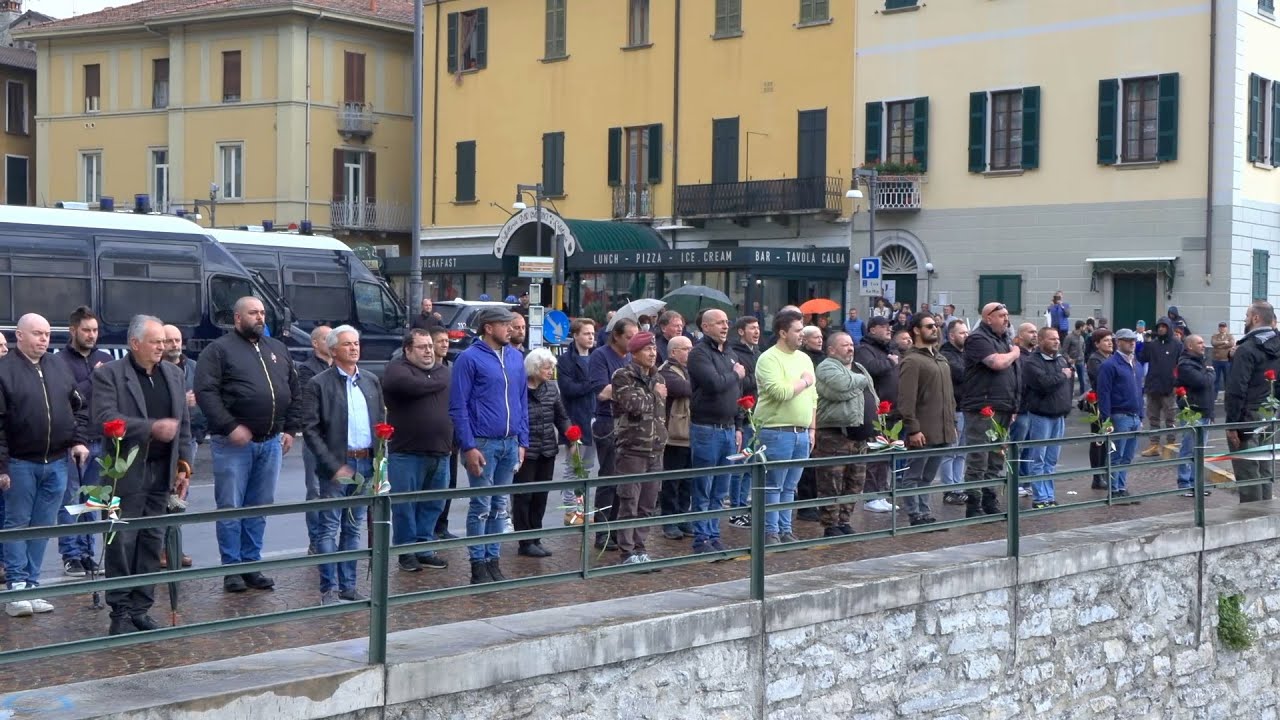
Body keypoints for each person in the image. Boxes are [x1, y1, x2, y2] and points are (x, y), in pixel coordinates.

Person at [91, 315, 192, 634]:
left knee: (152, 542)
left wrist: (184, 465)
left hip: (163, 473)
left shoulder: (174, 374)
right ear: (135, 344)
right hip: (124, 474)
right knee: (121, 541)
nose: (162, 346)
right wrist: (150, 428)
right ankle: (119, 612)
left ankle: (141, 608)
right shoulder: (110, 375)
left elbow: (184, 426)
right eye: (155, 341)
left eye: (163, 341)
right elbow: (105, 421)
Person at [195, 296, 302, 593]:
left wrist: (291, 428)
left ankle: (251, 564)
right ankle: (232, 569)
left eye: (263, 312)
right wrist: (230, 426)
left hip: (270, 443)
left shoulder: (277, 349)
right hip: (233, 445)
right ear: (237, 317)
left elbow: (294, 390)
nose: (260, 317)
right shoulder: (218, 351)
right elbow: (206, 392)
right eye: (253, 312)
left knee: (259, 507)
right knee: (231, 507)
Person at [0, 313, 89, 618]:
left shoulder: (57, 366)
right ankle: (17, 587)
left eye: (47, 334)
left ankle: (34, 585)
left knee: (43, 525)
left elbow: (77, 407)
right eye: (37, 333)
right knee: (16, 524)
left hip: (56, 461)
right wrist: (2, 467)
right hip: (20, 462)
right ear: (19, 336)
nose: (43, 339)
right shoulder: (4, 370)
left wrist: (78, 440)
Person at [301, 325, 383, 604]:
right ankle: (330, 589)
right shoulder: (319, 384)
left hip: (365, 465)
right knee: (329, 527)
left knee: (353, 527)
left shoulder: (370, 381)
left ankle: (348, 585)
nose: (354, 348)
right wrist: (333, 465)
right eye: (347, 344)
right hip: (338, 466)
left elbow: (381, 424)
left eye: (356, 343)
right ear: (333, 350)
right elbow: (310, 430)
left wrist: (381, 463)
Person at [449, 306, 528, 584]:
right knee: (481, 504)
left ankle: (494, 559)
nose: (511, 329)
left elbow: (521, 401)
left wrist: (522, 439)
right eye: (505, 324)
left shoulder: (517, 358)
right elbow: (458, 406)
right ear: (488, 328)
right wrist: (468, 446)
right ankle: (477, 563)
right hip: (482, 443)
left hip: (509, 441)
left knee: (500, 505)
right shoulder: (468, 359)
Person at [383, 328, 451, 572]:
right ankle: (405, 551)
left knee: (433, 504)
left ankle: (424, 547)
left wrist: (430, 380)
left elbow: (442, 378)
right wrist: (431, 381)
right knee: (405, 506)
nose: (428, 352)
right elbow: (409, 385)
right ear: (407, 350)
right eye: (422, 347)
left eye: (430, 347)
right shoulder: (397, 370)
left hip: (440, 451)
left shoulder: (442, 371)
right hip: (407, 452)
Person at [55, 306, 111, 578]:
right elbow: (71, 397)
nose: (92, 335)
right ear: (73, 330)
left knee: (92, 500)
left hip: (101, 437)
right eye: (86, 330)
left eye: (95, 330)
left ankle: (89, 553)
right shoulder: (60, 361)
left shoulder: (105, 357)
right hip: (74, 440)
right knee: (71, 499)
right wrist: (94, 377)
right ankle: (71, 555)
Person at [755, 310, 817, 544]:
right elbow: (779, 392)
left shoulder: (804, 358)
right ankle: (770, 532)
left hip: (801, 432)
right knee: (773, 485)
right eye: (798, 331)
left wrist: (812, 429)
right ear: (783, 333)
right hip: (776, 430)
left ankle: (785, 529)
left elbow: (813, 397)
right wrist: (804, 381)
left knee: (790, 486)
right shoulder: (768, 358)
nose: (802, 335)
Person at [687, 309, 746, 555]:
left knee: (721, 488)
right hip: (706, 429)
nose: (725, 326)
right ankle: (701, 538)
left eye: (726, 322)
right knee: (704, 485)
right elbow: (714, 384)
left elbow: (738, 392)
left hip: (729, 428)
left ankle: (714, 534)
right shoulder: (699, 353)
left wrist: (739, 424)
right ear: (706, 326)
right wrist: (735, 373)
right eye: (719, 323)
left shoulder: (729, 352)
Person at [610, 332, 668, 565]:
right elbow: (633, 405)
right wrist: (654, 394)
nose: (652, 353)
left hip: (656, 449)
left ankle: (640, 547)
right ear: (634, 353)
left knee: (648, 503)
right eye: (647, 349)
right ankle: (626, 551)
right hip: (632, 449)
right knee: (629, 502)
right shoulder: (623, 376)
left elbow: (660, 412)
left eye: (654, 349)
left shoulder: (659, 378)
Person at [959, 303, 1021, 517]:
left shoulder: (1003, 340)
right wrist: (1014, 352)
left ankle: (989, 499)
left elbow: (1014, 376)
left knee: (996, 458)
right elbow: (996, 363)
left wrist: (1014, 406)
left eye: (1007, 315)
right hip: (982, 407)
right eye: (1002, 315)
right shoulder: (978, 339)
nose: (1006, 319)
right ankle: (974, 504)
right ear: (988, 318)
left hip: (1003, 406)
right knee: (979, 457)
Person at [813, 332, 876, 536]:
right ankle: (830, 524)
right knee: (831, 481)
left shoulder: (860, 368)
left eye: (851, 344)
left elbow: (871, 393)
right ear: (832, 350)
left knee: (855, 482)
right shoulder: (827, 366)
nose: (850, 348)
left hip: (860, 436)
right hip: (834, 436)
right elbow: (840, 387)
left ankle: (844, 520)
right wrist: (859, 382)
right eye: (845, 345)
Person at [896, 314, 955, 527]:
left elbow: (949, 397)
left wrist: (951, 425)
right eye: (929, 326)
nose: (935, 329)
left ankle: (925, 511)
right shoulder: (912, 360)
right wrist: (913, 429)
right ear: (916, 330)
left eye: (936, 326)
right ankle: (915, 514)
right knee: (914, 475)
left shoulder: (940, 358)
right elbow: (906, 400)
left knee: (928, 476)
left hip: (942, 429)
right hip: (922, 430)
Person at [588, 318, 638, 550]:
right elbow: (602, 391)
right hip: (607, 421)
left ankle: (618, 528)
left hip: (628, 422)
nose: (632, 341)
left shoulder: (630, 357)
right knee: (608, 476)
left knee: (624, 478)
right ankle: (602, 530)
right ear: (616, 335)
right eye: (629, 337)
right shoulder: (601, 356)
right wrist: (630, 392)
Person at [513, 348, 568, 558]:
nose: (551, 371)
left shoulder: (551, 388)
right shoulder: (519, 389)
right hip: (527, 452)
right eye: (547, 367)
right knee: (523, 496)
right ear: (535, 368)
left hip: (547, 450)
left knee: (540, 496)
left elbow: (561, 416)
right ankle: (524, 541)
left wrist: (570, 433)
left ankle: (536, 537)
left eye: (552, 367)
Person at [1224, 301, 1280, 503]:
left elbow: (1237, 389)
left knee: (1247, 471)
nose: (1245, 320)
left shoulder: (1247, 349)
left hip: (1248, 415)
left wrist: (1232, 424)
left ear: (1256, 318)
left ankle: (1250, 517)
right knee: (1264, 469)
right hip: (1270, 412)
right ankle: (1266, 516)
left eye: (1247, 316)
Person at [160, 324, 199, 569]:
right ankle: (160, 548)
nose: (175, 345)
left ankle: (174, 547)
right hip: (163, 440)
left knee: (180, 496)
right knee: (162, 496)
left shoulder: (193, 368)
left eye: (178, 340)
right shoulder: (156, 369)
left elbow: (205, 398)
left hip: (188, 439)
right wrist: (179, 402)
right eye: (169, 340)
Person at [1022, 327, 1074, 508]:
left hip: (1058, 415)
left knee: (1051, 460)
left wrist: (1067, 406)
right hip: (1041, 415)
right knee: (1039, 459)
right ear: (1041, 341)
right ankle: (1040, 498)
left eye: (1058, 339)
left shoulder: (1060, 359)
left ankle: (1049, 495)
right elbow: (1044, 383)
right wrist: (1062, 375)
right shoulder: (1031, 362)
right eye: (1052, 339)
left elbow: (1066, 386)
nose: (1056, 342)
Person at [855, 316, 899, 513]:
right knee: (875, 454)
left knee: (885, 454)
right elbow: (869, 370)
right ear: (872, 330)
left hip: (891, 412)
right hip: (876, 411)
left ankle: (881, 493)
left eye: (889, 327)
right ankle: (871, 496)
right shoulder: (864, 350)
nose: (888, 330)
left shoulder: (887, 350)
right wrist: (889, 363)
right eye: (883, 327)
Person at [295, 325, 332, 556]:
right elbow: (310, 403)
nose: (333, 342)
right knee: (316, 491)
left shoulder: (342, 366)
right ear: (315, 343)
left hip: (340, 438)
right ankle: (316, 541)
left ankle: (331, 536)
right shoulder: (307, 370)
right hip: (317, 438)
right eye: (328, 338)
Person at [556, 318, 597, 522]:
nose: (591, 337)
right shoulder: (566, 361)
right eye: (586, 333)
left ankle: (581, 509)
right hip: (575, 419)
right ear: (575, 336)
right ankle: (570, 510)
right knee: (573, 467)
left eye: (592, 334)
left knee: (586, 468)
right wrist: (593, 384)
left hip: (594, 418)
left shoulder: (596, 357)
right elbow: (569, 389)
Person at [1096, 329, 1144, 498]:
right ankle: (1114, 489)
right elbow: (1104, 393)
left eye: (1133, 340)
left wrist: (1141, 415)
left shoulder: (1136, 364)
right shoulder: (1110, 365)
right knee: (1116, 455)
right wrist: (1106, 419)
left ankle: (1121, 488)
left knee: (1128, 456)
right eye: (1127, 340)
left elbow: (1140, 390)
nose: (1132, 343)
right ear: (1119, 342)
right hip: (1119, 415)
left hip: (1134, 416)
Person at [658, 335, 693, 539]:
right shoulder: (666, 371)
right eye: (686, 348)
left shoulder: (689, 370)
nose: (690, 351)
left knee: (687, 480)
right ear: (673, 352)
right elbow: (684, 389)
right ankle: (669, 520)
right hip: (674, 435)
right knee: (672, 480)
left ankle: (682, 517)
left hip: (690, 433)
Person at [428, 326, 461, 541]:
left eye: (447, 340)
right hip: (431, 438)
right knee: (432, 484)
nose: (445, 344)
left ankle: (442, 525)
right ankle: (428, 528)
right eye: (440, 341)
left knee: (450, 483)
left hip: (452, 436)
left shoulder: (452, 368)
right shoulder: (426, 369)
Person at [728, 316, 761, 525]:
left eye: (758, 328)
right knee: (739, 467)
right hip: (743, 416)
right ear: (741, 331)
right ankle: (736, 510)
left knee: (752, 465)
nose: (757, 332)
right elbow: (740, 383)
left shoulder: (758, 353)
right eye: (752, 328)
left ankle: (745, 507)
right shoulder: (735, 354)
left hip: (758, 416)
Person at [1174, 334, 1214, 497]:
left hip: (1204, 411)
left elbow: (1208, 384)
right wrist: (1211, 373)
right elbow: (1203, 382)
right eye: (1200, 343)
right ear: (1190, 346)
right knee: (1188, 448)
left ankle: (1196, 483)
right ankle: (1184, 483)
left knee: (1200, 450)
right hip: (1192, 412)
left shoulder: (1200, 362)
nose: (1203, 345)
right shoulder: (1185, 364)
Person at [1138, 317, 1182, 458]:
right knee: (1153, 418)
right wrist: (1146, 342)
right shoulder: (1153, 344)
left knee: (1170, 418)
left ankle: (1171, 444)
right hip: (1153, 386)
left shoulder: (1176, 344)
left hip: (1169, 387)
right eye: (1159, 326)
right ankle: (1154, 444)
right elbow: (1143, 358)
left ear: (1169, 328)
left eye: (1164, 326)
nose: (1161, 329)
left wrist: (1177, 383)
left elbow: (1181, 364)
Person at [939, 320, 969, 505]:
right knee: (950, 451)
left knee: (962, 452)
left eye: (966, 332)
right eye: (962, 333)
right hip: (954, 408)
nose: (966, 336)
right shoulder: (946, 355)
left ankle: (959, 487)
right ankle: (948, 489)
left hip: (967, 408)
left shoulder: (965, 354)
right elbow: (962, 374)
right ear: (951, 336)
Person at [1086, 328, 1115, 489]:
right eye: (1105, 340)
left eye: (1111, 339)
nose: (1110, 342)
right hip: (1097, 404)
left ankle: (1105, 472)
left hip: (1111, 402)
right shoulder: (1094, 360)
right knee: (1098, 440)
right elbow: (1103, 380)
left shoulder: (1111, 358)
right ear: (1097, 344)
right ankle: (1097, 477)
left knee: (1107, 441)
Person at [1063, 320, 1087, 397]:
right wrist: (1069, 359)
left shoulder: (1082, 337)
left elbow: (1083, 349)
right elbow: (1064, 351)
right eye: (1084, 327)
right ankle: (1069, 399)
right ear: (1080, 327)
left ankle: (1083, 399)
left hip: (1081, 362)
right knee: (1070, 381)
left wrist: (1084, 360)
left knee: (1083, 381)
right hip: (1071, 362)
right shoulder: (1069, 337)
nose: (1085, 329)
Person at [1211, 322, 1234, 395]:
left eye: (1224, 327)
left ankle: (1228, 395)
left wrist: (1219, 346)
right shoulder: (1215, 336)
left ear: (1226, 328)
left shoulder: (1230, 336)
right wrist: (1224, 342)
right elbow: (1213, 343)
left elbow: (1231, 344)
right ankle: (1214, 396)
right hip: (1216, 360)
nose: (1222, 328)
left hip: (1226, 360)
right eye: (1221, 327)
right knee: (1215, 379)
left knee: (1227, 379)